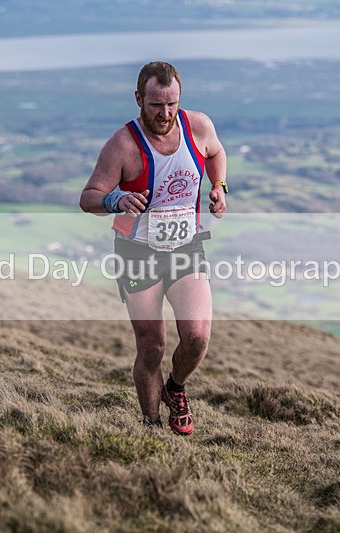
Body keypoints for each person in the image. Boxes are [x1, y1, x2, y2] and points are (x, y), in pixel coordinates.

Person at [79, 61, 227, 435]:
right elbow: (88, 197)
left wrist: (219, 187)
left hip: (185, 246)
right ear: (139, 99)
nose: (165, 114)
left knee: (197, 337)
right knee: (151, 347)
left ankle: (175, 388)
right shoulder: (123, 145)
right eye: (156, 105)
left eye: (172, 104)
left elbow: (215, 153)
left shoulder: (198, 126)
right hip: (137, 252)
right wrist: (116, 201)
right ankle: (151, 427)